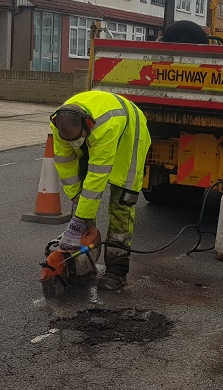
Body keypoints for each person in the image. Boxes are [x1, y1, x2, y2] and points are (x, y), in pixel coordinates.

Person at [50, 90, 151, 290]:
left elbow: (97, 175)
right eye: (69, 140)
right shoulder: (59, 124)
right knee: (83, 199)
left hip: (129, 135)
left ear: (87, 125)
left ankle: (117, 270)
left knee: (121, 203)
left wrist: (79, 220)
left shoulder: (106, 126)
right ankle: (82, 263)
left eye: (76, 139)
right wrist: (77, 200)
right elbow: (65, 164)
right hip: (94, 136)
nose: (72, 144)